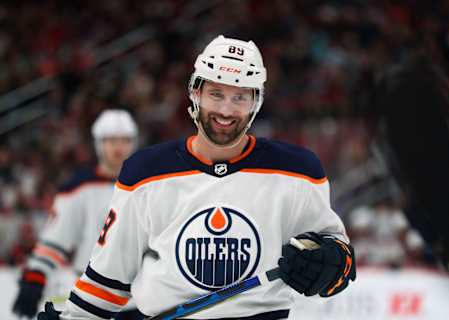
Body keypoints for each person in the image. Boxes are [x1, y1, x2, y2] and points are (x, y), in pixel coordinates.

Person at [38, 35, 356, 320]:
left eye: (240, 97)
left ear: (255, 102)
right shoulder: (144, 172)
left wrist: (328, 264)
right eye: (216, 94)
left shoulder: (297, 170)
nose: (226, 111)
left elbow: (339, 260)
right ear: (196, 92)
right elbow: (107, 281)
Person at [13, 109, 144, 319]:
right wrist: (35, 276)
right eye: (111, 140)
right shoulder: (78, 188)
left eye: (125, 140)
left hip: (140, 298)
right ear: (99, 144)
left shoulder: (150, 186)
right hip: (91, 297)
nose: (119, 147)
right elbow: (55, 240)